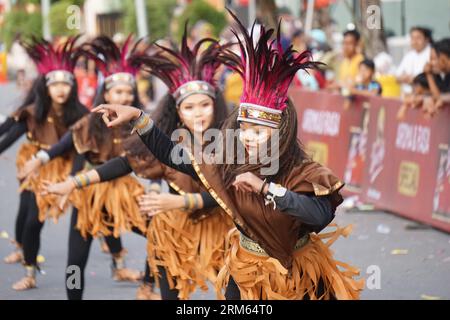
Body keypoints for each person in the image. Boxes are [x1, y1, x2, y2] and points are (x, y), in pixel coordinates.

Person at [92, 10, 364, 300]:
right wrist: (137, 117)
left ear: (281, 133)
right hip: (245, 269)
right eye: (245, 129)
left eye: (258, 132)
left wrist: (267, 189)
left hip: (298, 273)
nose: (248, 137)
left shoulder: (302, 169)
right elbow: (173, 155)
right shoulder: (229, 160)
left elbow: (319, 215)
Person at [21, 36, 149, 299]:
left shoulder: (143, 124)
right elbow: (63, 146)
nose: (123, 96)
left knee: (161, 232)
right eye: (117, 92)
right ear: (107, 94)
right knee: (75, 262)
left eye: (128, 92)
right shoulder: (89, 122)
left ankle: (148, 285)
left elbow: (160, 158)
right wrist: (42, 160)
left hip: (124, 194)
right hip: (89, 194)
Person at [0, 37, 89, 290]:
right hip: (35, 167)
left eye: (66, 84)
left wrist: (74, 180)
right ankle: (29, 271)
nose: (61, 89)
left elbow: (86, 149)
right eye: (55, 84)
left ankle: (118, 259)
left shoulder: (82, 115)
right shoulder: (34, 112)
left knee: (95, 213)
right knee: (30, 220)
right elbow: (9, 134)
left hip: (67, 169)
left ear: (73, 87)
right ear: (46, 87)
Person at [396, 27, 433, 94]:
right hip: (408, 94)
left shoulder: (432, 53)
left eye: (418, 38)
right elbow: (397, 76)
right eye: (412, 38)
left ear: (427, 39)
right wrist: (404, 78)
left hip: (425, 95)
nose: (415, 41)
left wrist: (414, 79)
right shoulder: (409, 55)